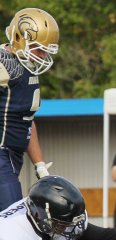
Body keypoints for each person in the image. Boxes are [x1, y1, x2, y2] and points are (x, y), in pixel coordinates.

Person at [0, 8, 59, 211]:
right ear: (19, 37)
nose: (42, 55)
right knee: (12, 222)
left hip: (12, 159)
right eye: (37, 48)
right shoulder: (4, 63)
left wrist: (40, 165)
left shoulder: (26, 66)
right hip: (1, 156)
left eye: (45, 50)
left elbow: (27, 119)